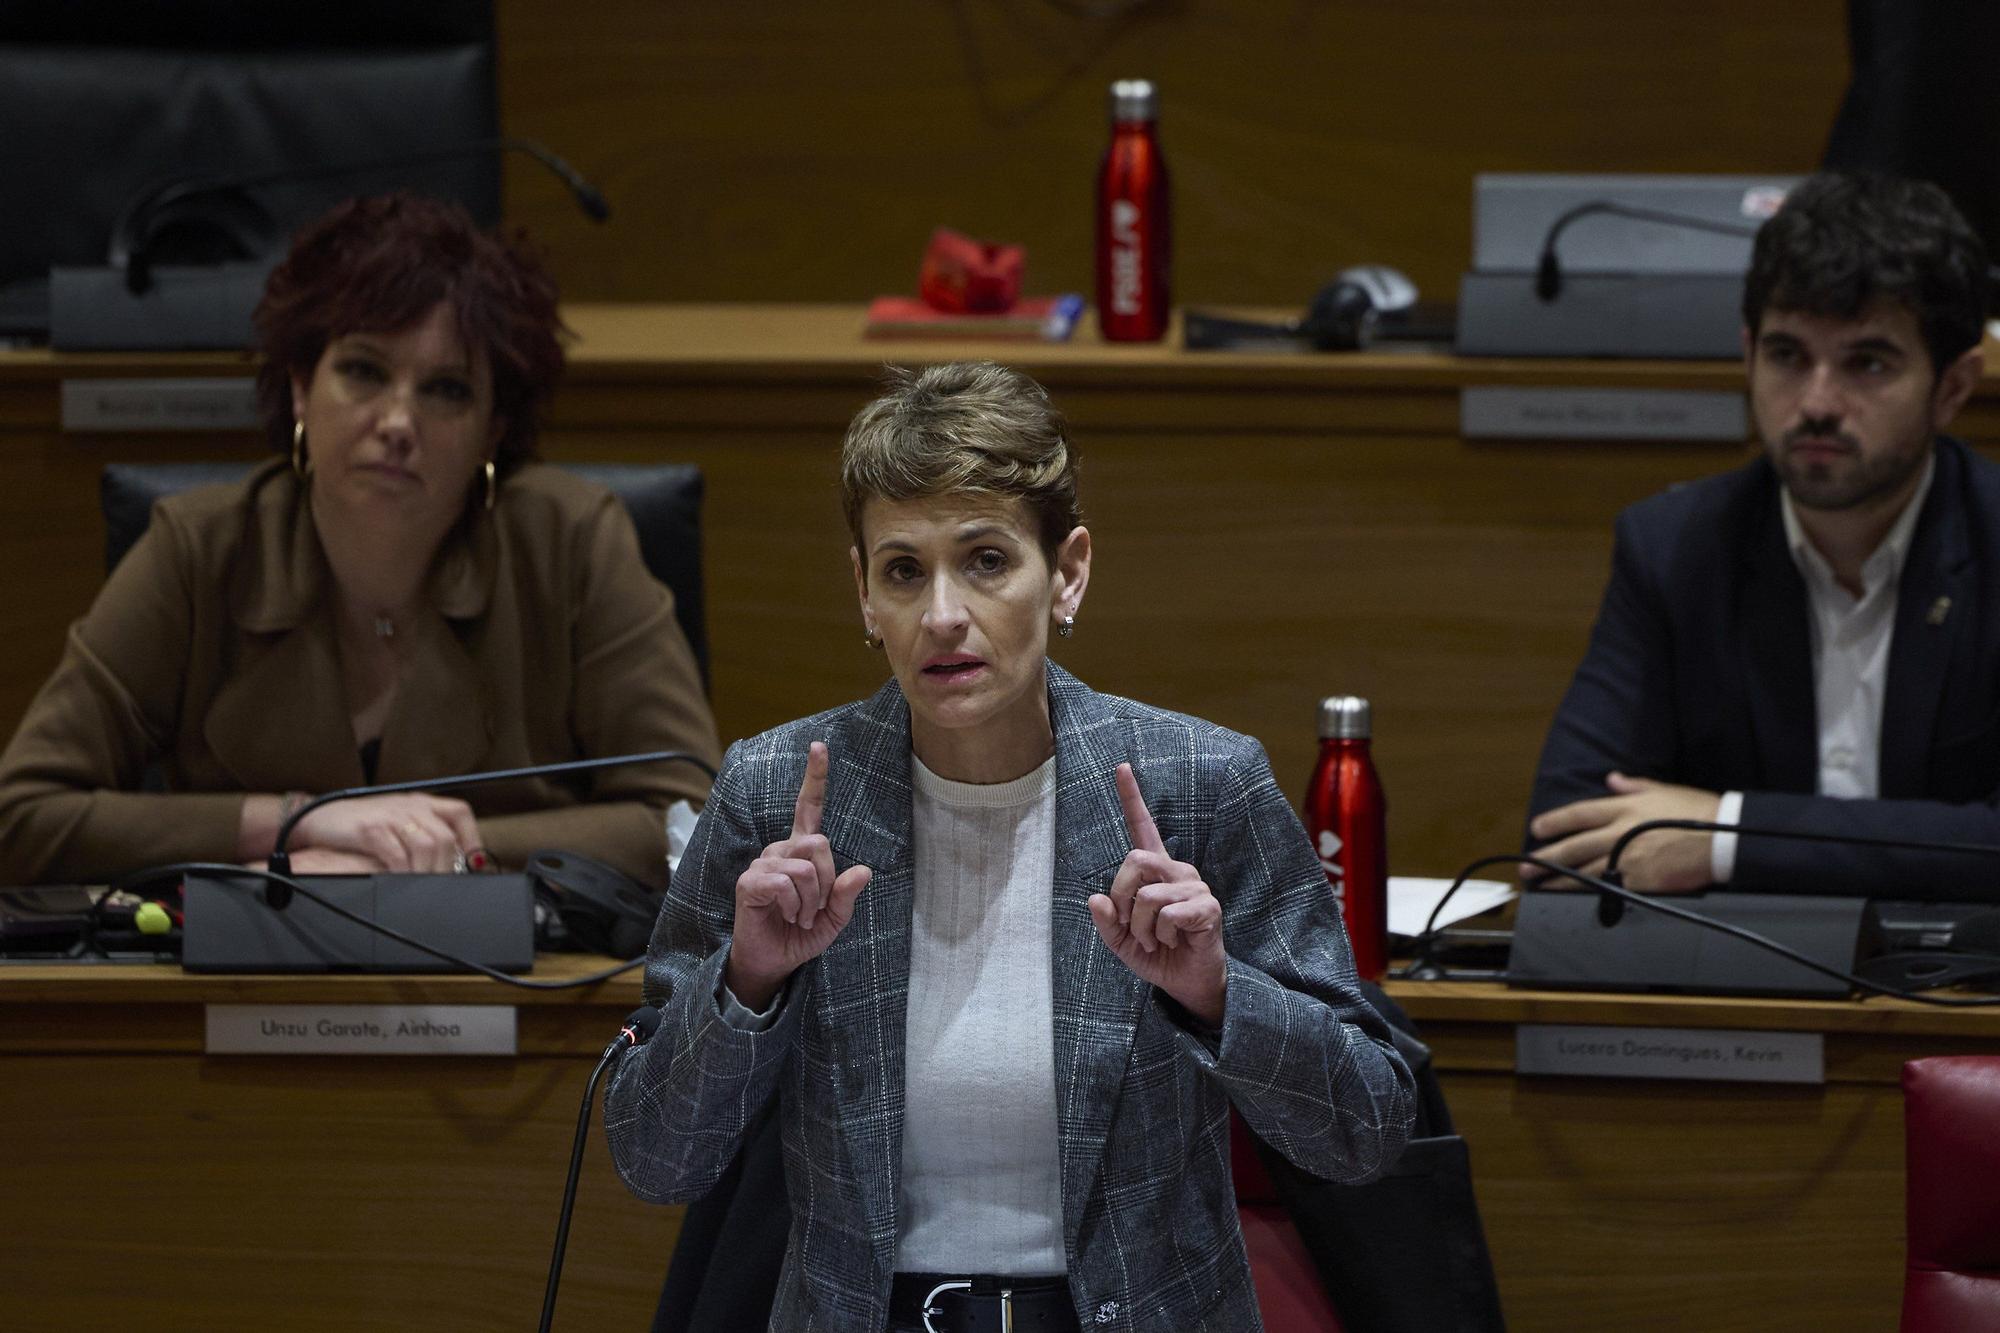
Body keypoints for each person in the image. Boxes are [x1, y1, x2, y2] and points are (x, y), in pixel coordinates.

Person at [604, 361, 1413, 1333]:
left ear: (1066, 570)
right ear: (864, 593)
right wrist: (745, 983)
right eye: (904, 569)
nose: (942, 613)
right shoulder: (777, 797)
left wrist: (1217, 995)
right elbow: (654, 1154)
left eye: (984, 559)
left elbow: (1366, 1129)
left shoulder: (1199, 784)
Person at [0, 193, 719, 890]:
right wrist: (295, 825)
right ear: (300, 389)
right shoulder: (199, 550)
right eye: (364, 371)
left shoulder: (571, 544)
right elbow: (20, 817)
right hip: (237, 998)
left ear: (493, 431)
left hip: (511, 996)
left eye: (446, 389)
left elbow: (695, 821)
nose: (399, 421)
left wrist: (433, 848)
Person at [1526, 171, 1997, 899]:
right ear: (1747, 353)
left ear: (1954, 388)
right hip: (1740, 997)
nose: (1815, 402)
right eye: (1786, 355)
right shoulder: (1674, 549)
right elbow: (1563, 834)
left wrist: (1728, 837)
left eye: (1866, 362)